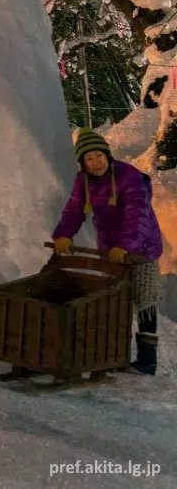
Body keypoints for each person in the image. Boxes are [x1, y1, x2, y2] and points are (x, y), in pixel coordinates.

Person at [52, 128, 164, 375]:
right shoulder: (83, 181)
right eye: (88, 158)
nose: (95, 162)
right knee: (112, 299)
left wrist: (126, 246)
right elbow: (74, 210)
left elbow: (138, 215)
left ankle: (147, 360)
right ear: (83, 163)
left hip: (141, 248)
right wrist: (62, 235)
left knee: (144, 299)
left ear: (107, 154)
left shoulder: (129, 176)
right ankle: (112, 354)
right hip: (110, 249)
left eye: (98, 155)